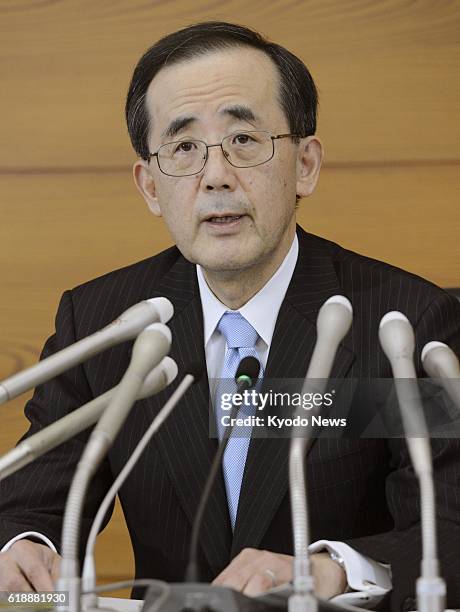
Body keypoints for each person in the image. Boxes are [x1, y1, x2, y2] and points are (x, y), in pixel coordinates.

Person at [1, 21, 460, 612]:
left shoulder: (400, 326)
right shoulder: (107, 324)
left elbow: (449, 525)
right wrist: (23, 545)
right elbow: (33, 503)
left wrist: (330, 571)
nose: (215, 176)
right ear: (149, 185)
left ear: (305, 165)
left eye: (244, 139)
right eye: (184, 148)